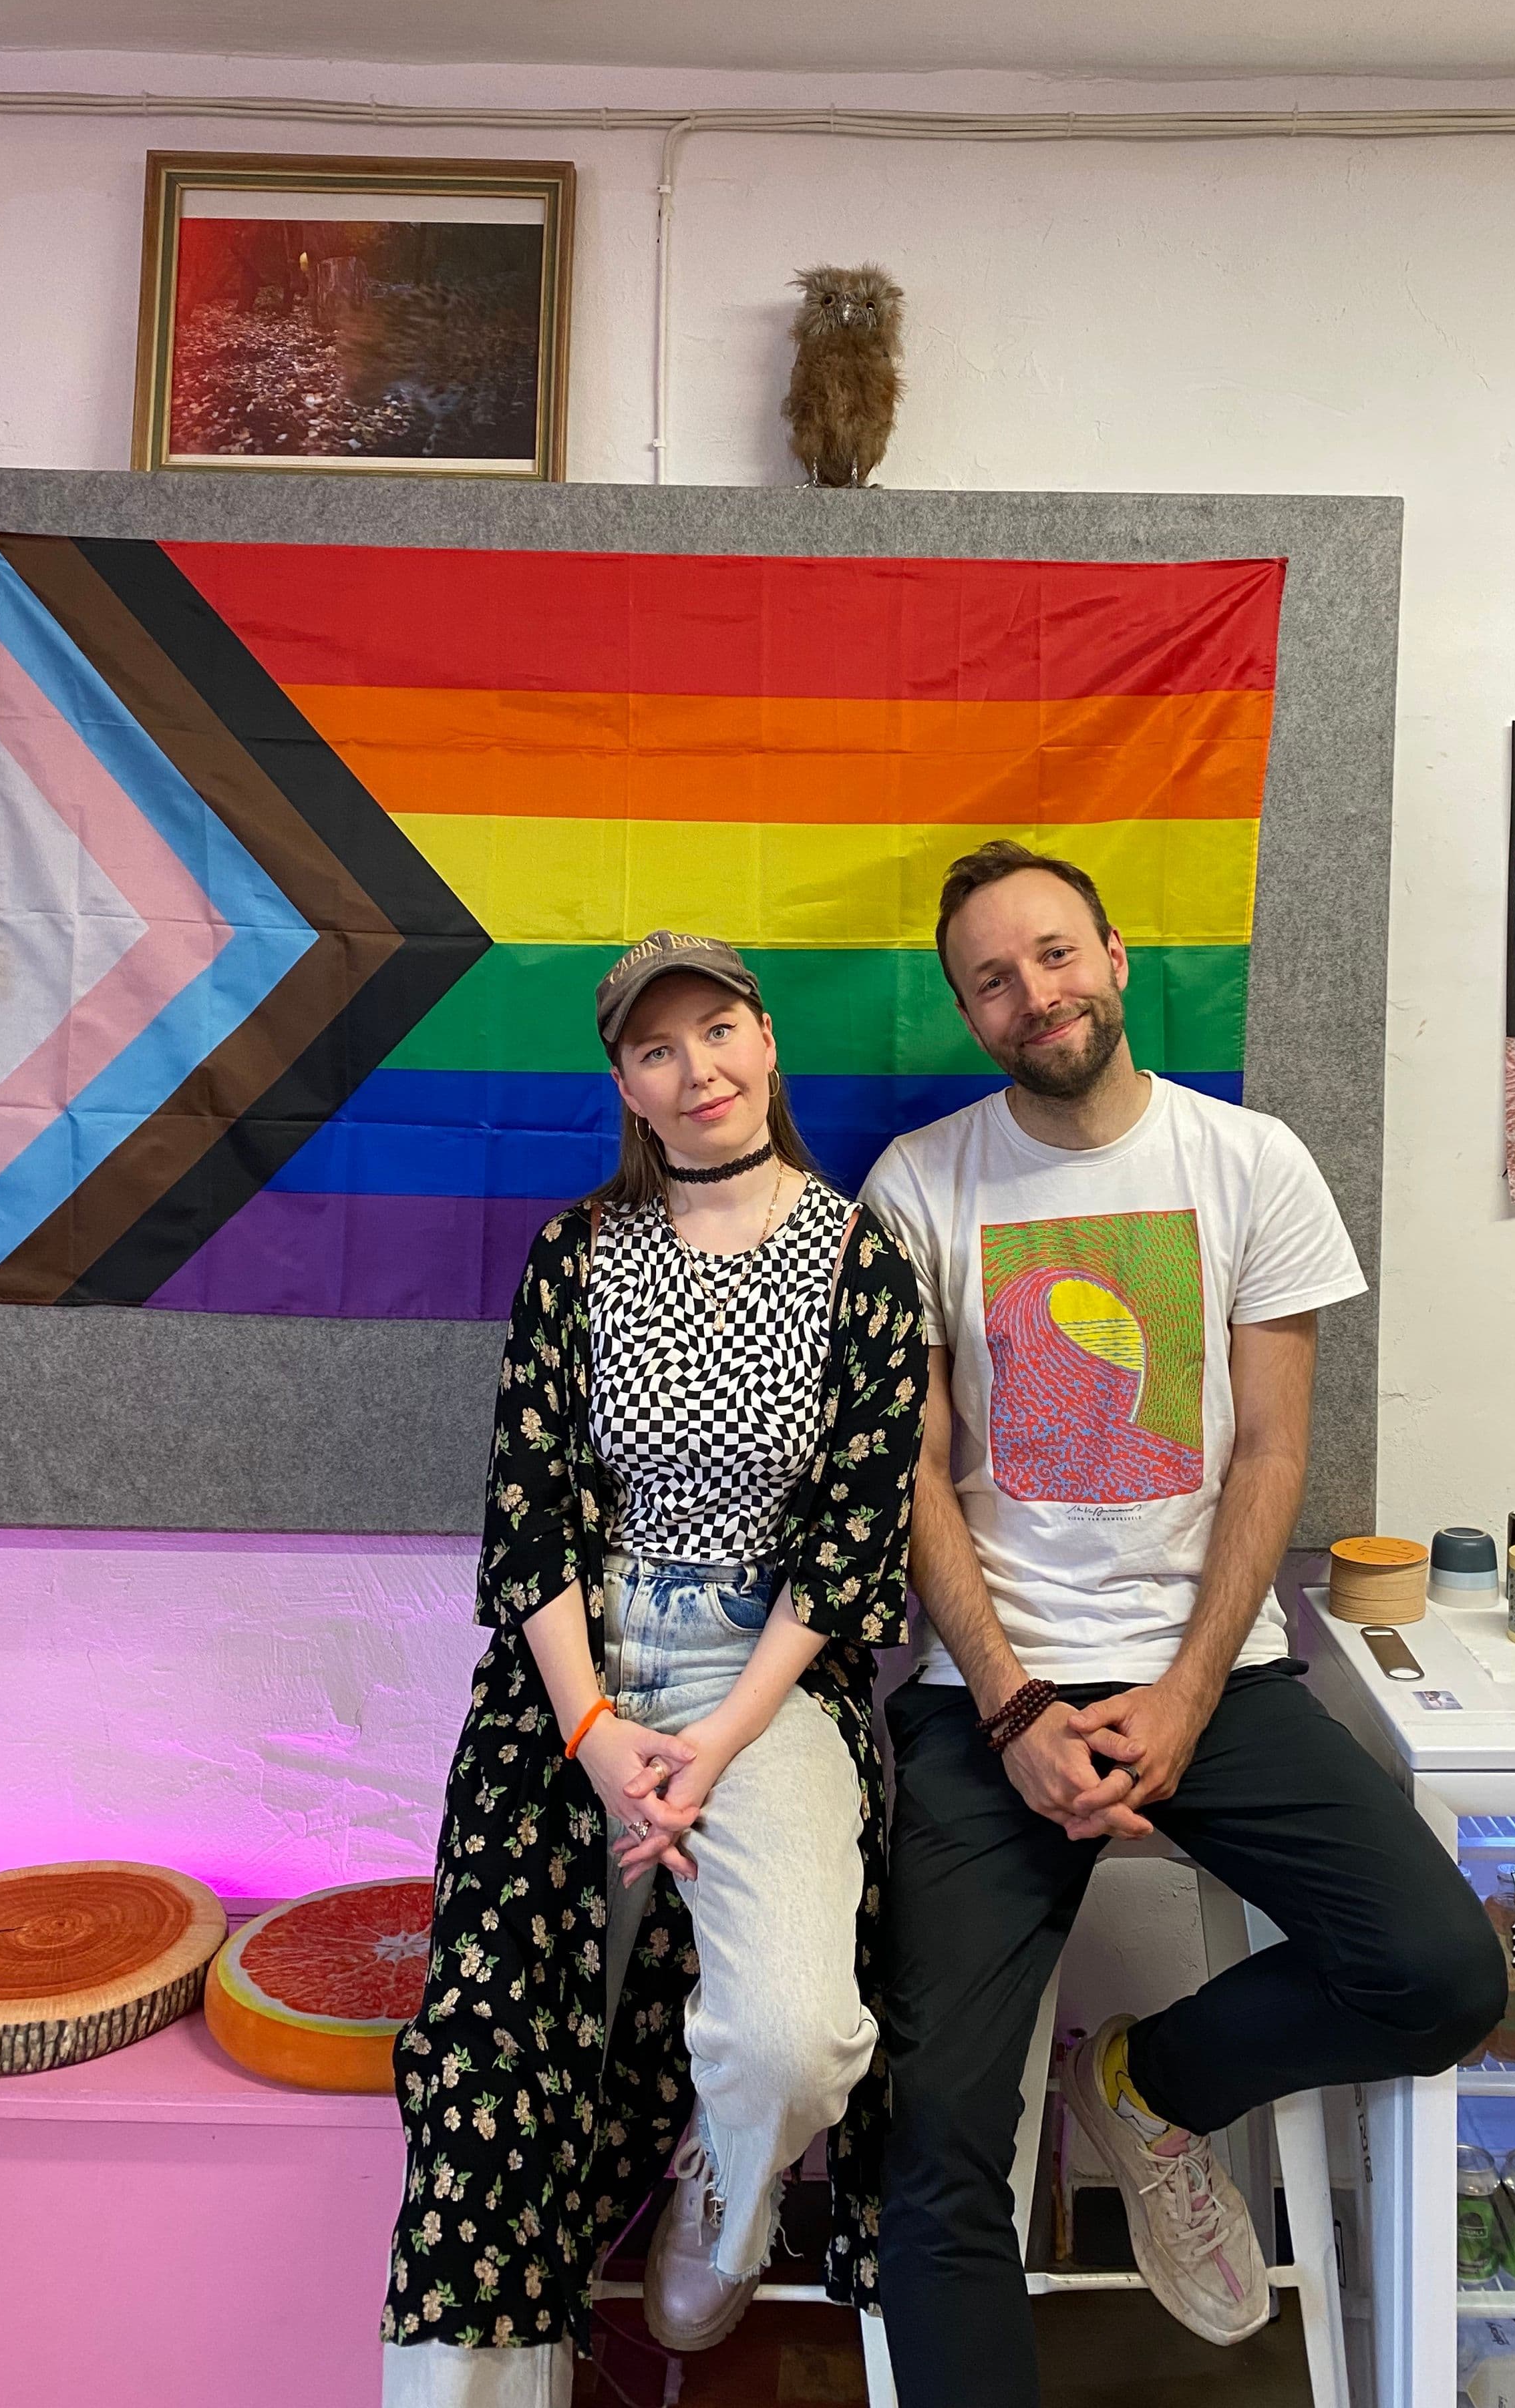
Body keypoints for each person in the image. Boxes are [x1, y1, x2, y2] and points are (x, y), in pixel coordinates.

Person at [862, 842, 1506, 2405]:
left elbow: (1272, 1453)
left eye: (1055, 954)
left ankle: (1148, 2086)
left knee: (1442, 1975)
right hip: (991, 1697)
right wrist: (1014, 1707)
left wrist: (1190, 1691)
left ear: (1118, 957)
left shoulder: (1251, 1163)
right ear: (967, 1012)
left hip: (1214, 1675)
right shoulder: (919, 1185)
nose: (1035, 995)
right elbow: (916, 1478)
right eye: (993, 979)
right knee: (933, 2133)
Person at [383, 931, 927, 2406]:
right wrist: (596, 1734)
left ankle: (727, 2184)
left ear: (768, 1041)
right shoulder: (577, 1254)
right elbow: (529, 1513)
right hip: (580, 1671)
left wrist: (719, 1742)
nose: (698, 1070)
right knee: (489, 2069)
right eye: (657, 1049)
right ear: (626, 1084)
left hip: (769, 1673)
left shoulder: (865, 1263)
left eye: (720, 1030)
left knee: (799, 2040)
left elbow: (854, 1542)